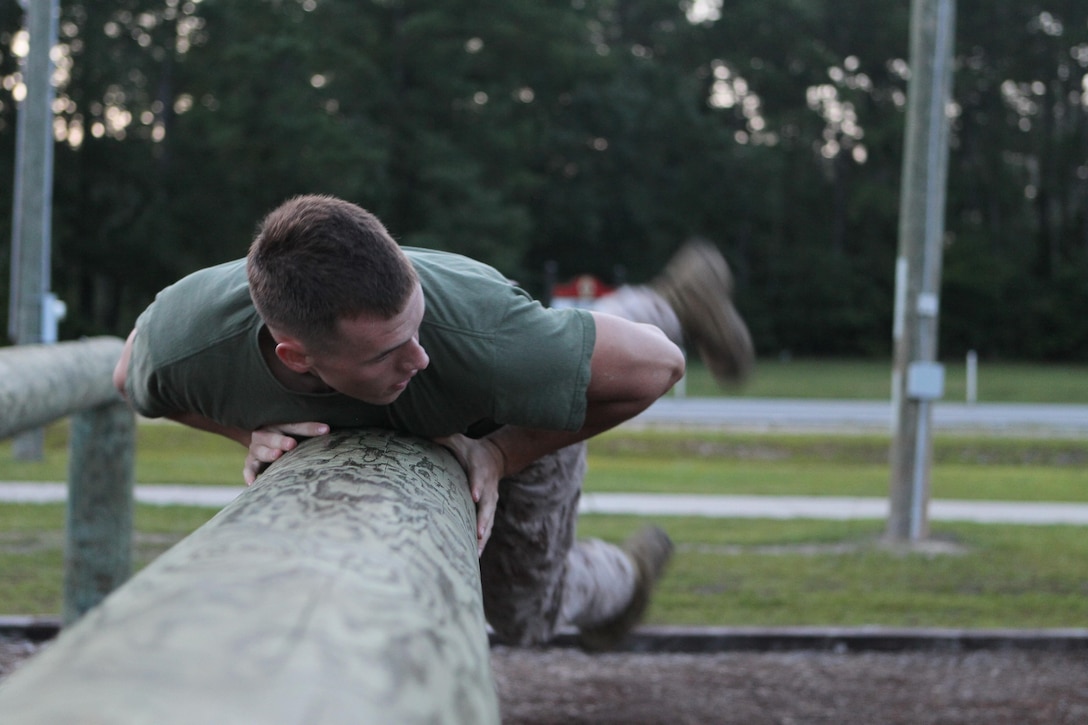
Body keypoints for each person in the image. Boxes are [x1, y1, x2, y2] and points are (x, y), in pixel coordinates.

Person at [112, 194, 753, 649]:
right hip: (491, 364)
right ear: (295, 356)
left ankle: (627, 576)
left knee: (527, 616)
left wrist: (503, 454)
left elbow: (658, 369)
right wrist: (242, 431)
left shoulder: (473, 339)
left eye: (414, 328)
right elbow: (130, 379)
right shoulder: (188, 343)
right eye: (388, 351)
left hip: (501, 415)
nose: (418, 358)